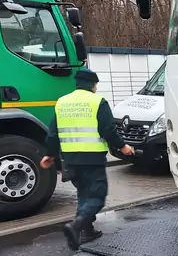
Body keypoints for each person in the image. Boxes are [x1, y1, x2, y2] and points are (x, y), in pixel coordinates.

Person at [40, 67, 135, 250]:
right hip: (92, 157)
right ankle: (76, 226)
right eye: (96, 85)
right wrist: (123, 147)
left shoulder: (62, 102)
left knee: (84, 194)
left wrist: (50, 154)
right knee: (97, 196)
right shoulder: (97, 101)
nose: (96, 88)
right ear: (92, 84)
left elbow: (53, 133)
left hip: (70, 159)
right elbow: (108, 129)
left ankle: (86, 231)